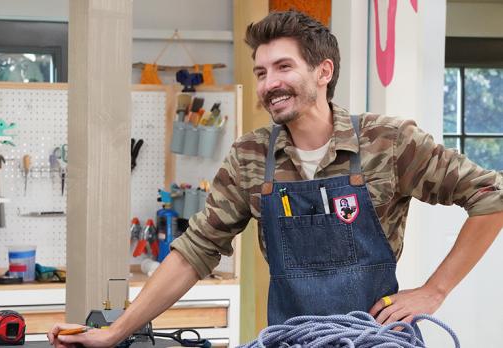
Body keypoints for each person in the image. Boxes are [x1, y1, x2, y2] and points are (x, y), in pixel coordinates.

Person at [48, 10, 503, 347]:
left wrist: (433, 291)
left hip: (375, 339)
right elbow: (194, 253)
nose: (269, 84)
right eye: (262, 72)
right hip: (291, 340)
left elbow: (491, 196)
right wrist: (116, 332)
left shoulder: (388, 142)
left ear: (323, 72)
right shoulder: (249, 157)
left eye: (284, 67)